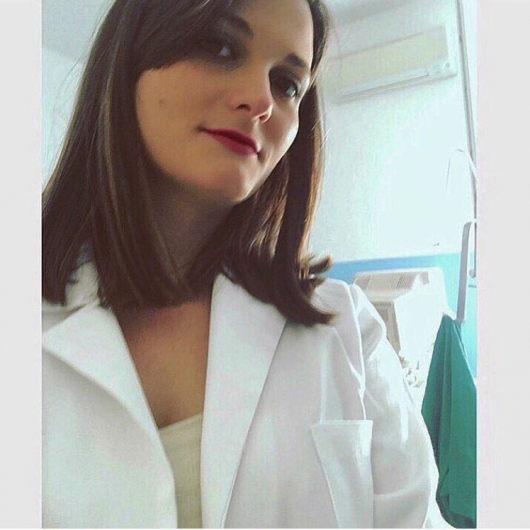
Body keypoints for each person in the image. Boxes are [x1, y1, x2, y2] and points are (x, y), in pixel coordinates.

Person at [42, 0, 449, 527]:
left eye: (287, 84)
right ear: (131, 56)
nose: (262, 101)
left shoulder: (346, 331)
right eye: (219, 47)